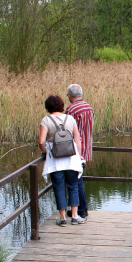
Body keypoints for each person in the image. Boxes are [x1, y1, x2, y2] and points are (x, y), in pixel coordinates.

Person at [39, 94, 87, 226]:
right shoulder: (70, 118)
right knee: (73, 186)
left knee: (59, 187)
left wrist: (45, 151)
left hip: (55, 160)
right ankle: (75, 216)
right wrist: (80, 154)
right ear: (61, 105)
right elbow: (77, 139)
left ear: (47, 107)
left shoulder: (46, 120)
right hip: (71, 158)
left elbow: (41, 141)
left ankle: (62, 218)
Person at [66, 84, 94, 219]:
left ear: (70, 95)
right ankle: (80, 209)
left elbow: (66, 131)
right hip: (86, 149)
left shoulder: (71, 110)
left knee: (76, 181)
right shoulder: (89, 107)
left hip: (75, 151)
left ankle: (81, 210)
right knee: (78, 179)